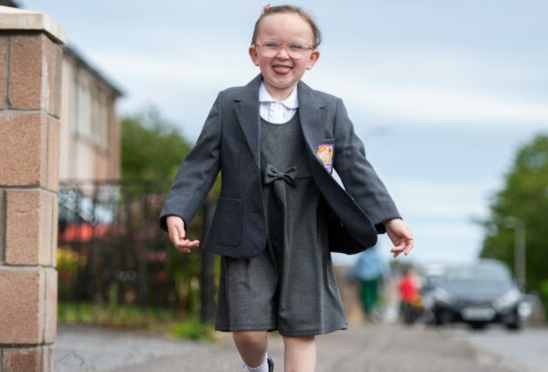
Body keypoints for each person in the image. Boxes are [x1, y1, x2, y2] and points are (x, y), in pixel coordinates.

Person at [159, 5, 414, 372]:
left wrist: (390, 217)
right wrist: (177, 210)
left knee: (300, 330)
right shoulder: (230, 104)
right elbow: (200, 162)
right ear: (253, 53)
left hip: (307, 231)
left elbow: (356, 166)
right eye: (271, 44)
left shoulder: (329, 108)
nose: (283, 54)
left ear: (312, 58)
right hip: (247, 228)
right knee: (246, 328)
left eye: (295, 47)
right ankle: (259, 367)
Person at [353, 246, 389, 322]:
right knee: (373, 295)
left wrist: (355, 278)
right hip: (374, 278)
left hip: (364, 278)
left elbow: (356, 268)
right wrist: (385, 277)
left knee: (365, 295)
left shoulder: (362, 256)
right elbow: (383, 267)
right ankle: (370, 312)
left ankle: (368, 312)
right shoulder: (377, 255)